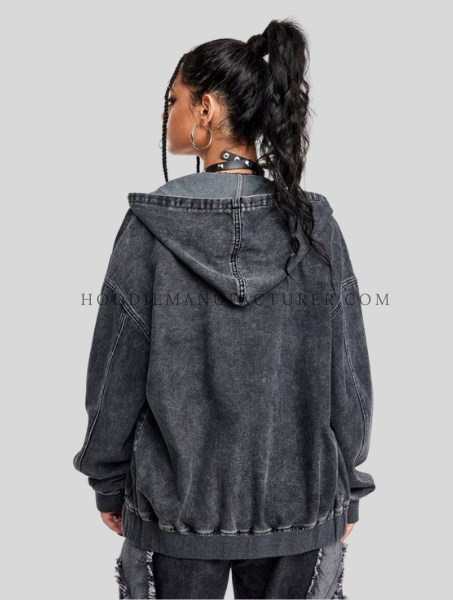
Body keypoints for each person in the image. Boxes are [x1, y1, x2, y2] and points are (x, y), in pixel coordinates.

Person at [73, 17, 375, 599]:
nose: (169, 114)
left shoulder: (149, 228)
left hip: (175, 512)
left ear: (206, 110)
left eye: (175, 101)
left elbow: (115, 372)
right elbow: (349, 373)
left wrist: (108, 480)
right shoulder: (315, 228)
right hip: (303, 506)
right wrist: (351, 482)